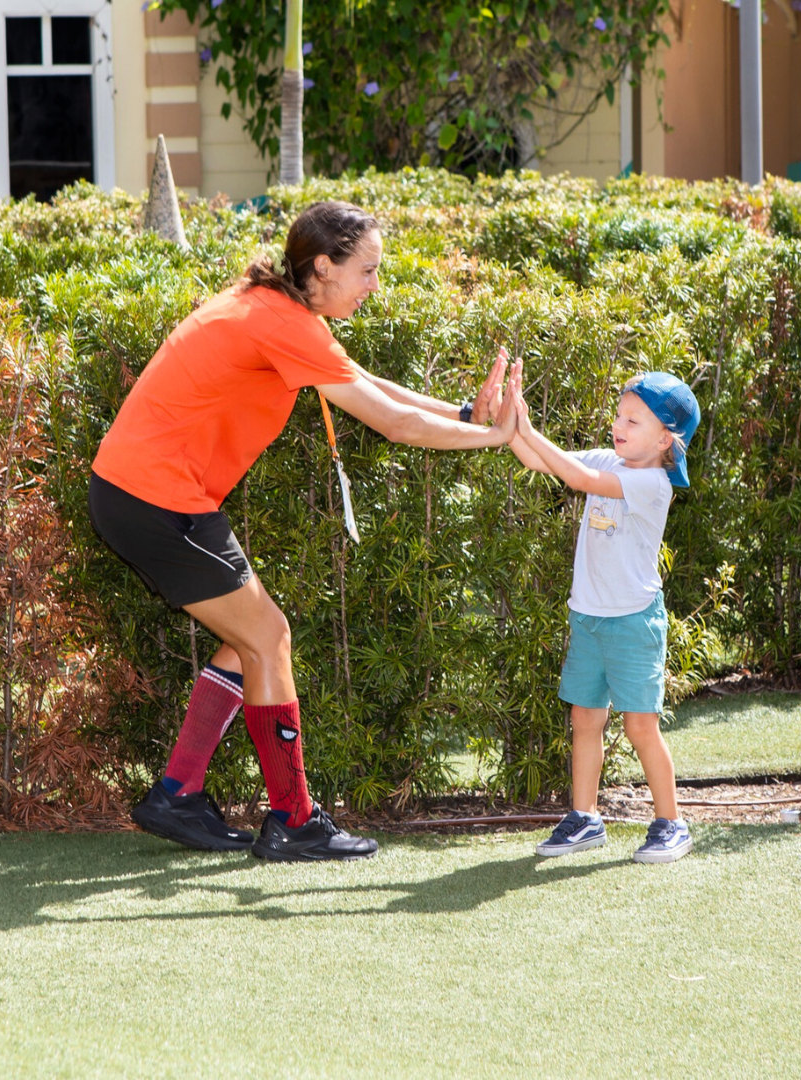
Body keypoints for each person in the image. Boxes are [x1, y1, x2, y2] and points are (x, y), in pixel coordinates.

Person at [89, 200, 521, 862]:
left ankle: (178, 792)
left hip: (139, 493)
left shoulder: (276, 308)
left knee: (250, 642)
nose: (375, 284)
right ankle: (293, 819)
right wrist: (490, 435)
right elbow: (392, 423)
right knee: (269, 638)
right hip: (156, 499)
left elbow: (363, 383)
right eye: (368, 270)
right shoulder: (282, 322)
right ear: (323, 266)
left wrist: (463, 411)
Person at [508, 371, 700, 863]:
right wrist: (513, 422)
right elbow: (542, 461)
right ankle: (585, 818)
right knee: (584, 718)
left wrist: (527, 428)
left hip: (634, 623)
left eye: (632, 419)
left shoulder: (652, 484)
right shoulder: (610, 461)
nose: (618, 423)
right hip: (587, 617)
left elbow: (577, 478)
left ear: (665, 439)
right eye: (619, 414)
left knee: (640, 727)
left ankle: (670, 823)